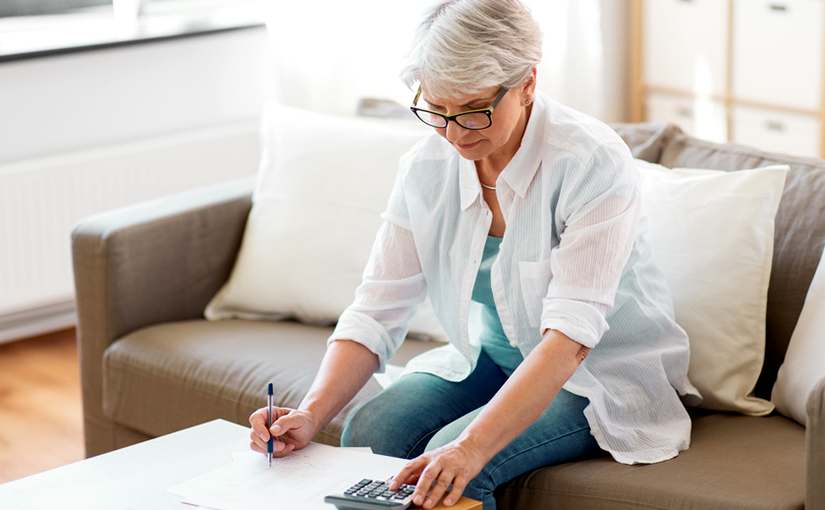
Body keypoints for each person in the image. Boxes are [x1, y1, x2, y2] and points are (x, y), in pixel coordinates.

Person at [250, 0, 701, 508]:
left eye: (474, 110)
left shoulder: (589, 162)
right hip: (495, 359)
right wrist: (310, 414)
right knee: (372, 429)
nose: (455, 133)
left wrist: (468, 447)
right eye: (437, 110)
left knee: (454, 465)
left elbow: (570, 340)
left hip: (597, 374)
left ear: (528, 83)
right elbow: (377, 309)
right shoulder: (427, 166)